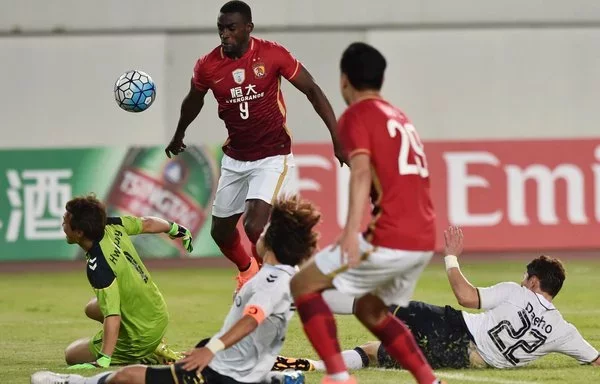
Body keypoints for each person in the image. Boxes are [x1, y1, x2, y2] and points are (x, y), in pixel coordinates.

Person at [32, 195, 320, 384]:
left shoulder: (272, 282)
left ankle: (70, 381)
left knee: (126, 376)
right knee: (98, 310)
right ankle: (277, 378)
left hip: (221, 369)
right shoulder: (276, 275)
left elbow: (251, 319)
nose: (256, 232)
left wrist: (212, 350)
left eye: (265, 230)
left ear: (270, 243)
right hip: (226, 356)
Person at [290, 42, 444, 384]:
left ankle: (338, 377)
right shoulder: (400, 117)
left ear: (344, 80)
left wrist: (349, 232)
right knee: (369, 309)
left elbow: (360, 172)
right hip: (423, 239)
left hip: (392, 235)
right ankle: (430, 381)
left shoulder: (356, 116)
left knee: (303, 285)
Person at [164, 0, 344, 292]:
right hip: (235, 158)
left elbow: (312, 90)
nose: (225, 35)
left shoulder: (272, 54)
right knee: (220, 232)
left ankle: (285, 282)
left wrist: (338, 139)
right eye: (221, 29)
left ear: (248, 28)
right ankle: (249, 270)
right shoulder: (208, 66)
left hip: (272, 154)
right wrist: (179, 133)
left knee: (253, 226)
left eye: (231, 28)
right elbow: (193, 101)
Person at [277, 227, 600, 372]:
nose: (521, 281)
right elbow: (595, 360)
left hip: (456, 329)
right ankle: (314, 366)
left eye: (524, 277)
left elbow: (465, 297)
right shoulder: (563, 330)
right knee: (380, 351)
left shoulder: (518, 293)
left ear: (533, 280)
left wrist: (451, 258)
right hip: (468, 359)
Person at [60, 194, 189, 369]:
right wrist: (175, 228)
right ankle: (156, 345)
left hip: (141, 337)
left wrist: (103, 359)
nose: (63, 225)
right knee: (91, 308)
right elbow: (147, 223)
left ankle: (147, 355)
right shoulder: (111, 225)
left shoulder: (98, 266)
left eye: (65, 221)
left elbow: (113, 315)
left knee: (72, 354)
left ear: (79, 232)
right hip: (157, 314)